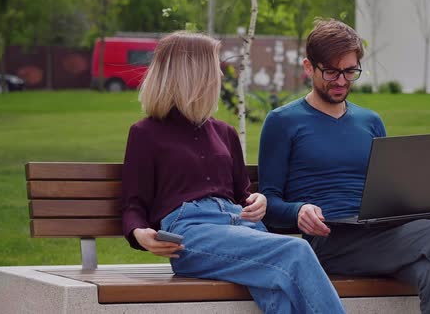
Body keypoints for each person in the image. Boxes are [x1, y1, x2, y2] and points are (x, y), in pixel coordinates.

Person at [258, 19, 430, 314]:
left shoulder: (370, 121)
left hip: (378, 235)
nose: (341, 81)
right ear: (308, 67)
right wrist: (298, 211)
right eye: (331, 71)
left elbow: (387, 189)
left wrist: (418, 203)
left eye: (350, 71)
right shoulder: (283, 121)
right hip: (330, 244)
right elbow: (269, 204)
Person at [120, 31, 345, 314]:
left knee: (279, 294)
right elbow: (133, 204)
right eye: (215, 69)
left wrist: (258, 201)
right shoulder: (146, 134)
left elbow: (243, 195)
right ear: (192, 75)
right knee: (296, 251)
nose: (220, 76)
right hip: (192, 234)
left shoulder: (224, 133)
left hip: (244, 229)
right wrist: (140, 233)